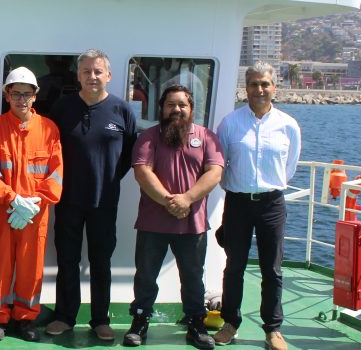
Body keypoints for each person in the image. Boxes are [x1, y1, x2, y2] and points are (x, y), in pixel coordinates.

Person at [44, 49, 137, 341]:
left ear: (108, 75)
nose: (92, 76)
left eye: (98, 71)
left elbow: (129, 156)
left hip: (104, 201)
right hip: (68, 199)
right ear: (78, 75)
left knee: (101, 262)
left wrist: (105, 178)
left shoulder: (122, 110)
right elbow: (50, 152)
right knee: (67, 260)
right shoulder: (62, 108)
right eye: (86, 71)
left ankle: (100, 319)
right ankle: (65, 316)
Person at [123, 85, 223, 349]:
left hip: (193, 223)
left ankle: (196, 323)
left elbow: (214, 173)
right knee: (146, 275)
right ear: (162, 108)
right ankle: (140, 322)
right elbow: (142, 172)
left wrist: (187, 199)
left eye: (182, 105)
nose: (176, 109)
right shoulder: (148, 137)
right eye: (171, 104)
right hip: (152, 223)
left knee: (193, 276)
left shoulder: (207, 137)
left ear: (191, 109)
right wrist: (171, 201)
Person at [214, 61, 301, 350]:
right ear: (246, 88)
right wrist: (240, 186)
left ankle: (272, 329)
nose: (259, 89)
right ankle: (230, 323)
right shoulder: (230, 123)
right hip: (238, 202)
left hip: (272, 203)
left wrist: (265, 186)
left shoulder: (288, 125)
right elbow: (220, 164)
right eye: (253, 84)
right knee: (234, 266)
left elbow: (289, 168)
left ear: (274, 87)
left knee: (272, 269)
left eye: (265, 84)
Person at [0, 67, 63, 342]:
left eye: (27, 94)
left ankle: (26, 317)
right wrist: (13, 199)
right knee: (1, 266)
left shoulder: (49, 130)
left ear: (35, 96)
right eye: (16, 93)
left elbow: (56, 174)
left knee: (32, 267)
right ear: (7, 95)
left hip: (36, 214)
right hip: (4, 210)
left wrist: (34, 203)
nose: (21, 100)